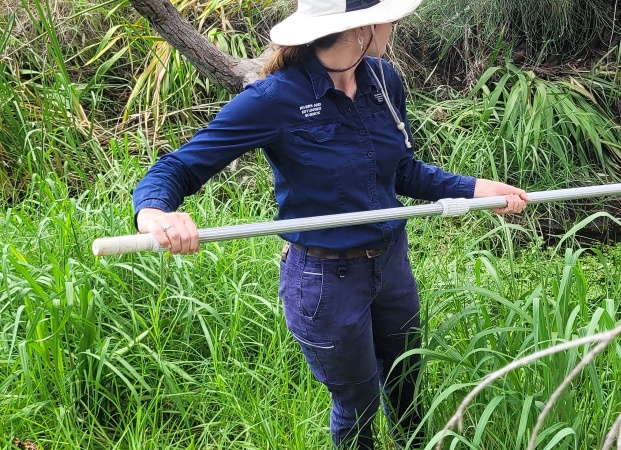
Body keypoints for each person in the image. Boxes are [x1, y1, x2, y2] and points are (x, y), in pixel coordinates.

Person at [130, 0, 529, 448]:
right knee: (358, 403)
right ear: (359, 29)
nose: (394, 24)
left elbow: (400, 171)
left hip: (392, 267)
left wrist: (473, 188)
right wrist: (155, 213)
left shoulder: (383, 81)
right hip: (325, 282)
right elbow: (178, 167)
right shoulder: (273, 99)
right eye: (388, 17)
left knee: (406, 383)